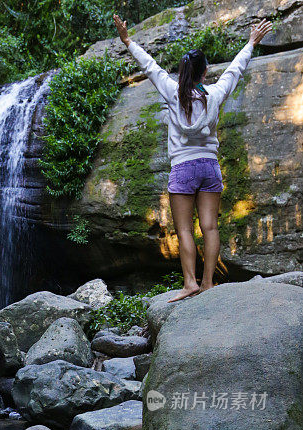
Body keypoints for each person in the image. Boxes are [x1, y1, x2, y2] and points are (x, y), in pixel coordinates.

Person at [113, 14, 272, 301]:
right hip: (210, 165)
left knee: (184, 229)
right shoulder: (213, 94)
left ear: (183, 72)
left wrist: (127, 41)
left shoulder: (173, 93)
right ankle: (209, 282)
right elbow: (235, 70)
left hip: (183, 167)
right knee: (210, 227)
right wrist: (250, 42)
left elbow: (150, 66)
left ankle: (190, 283)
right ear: (204, 72)